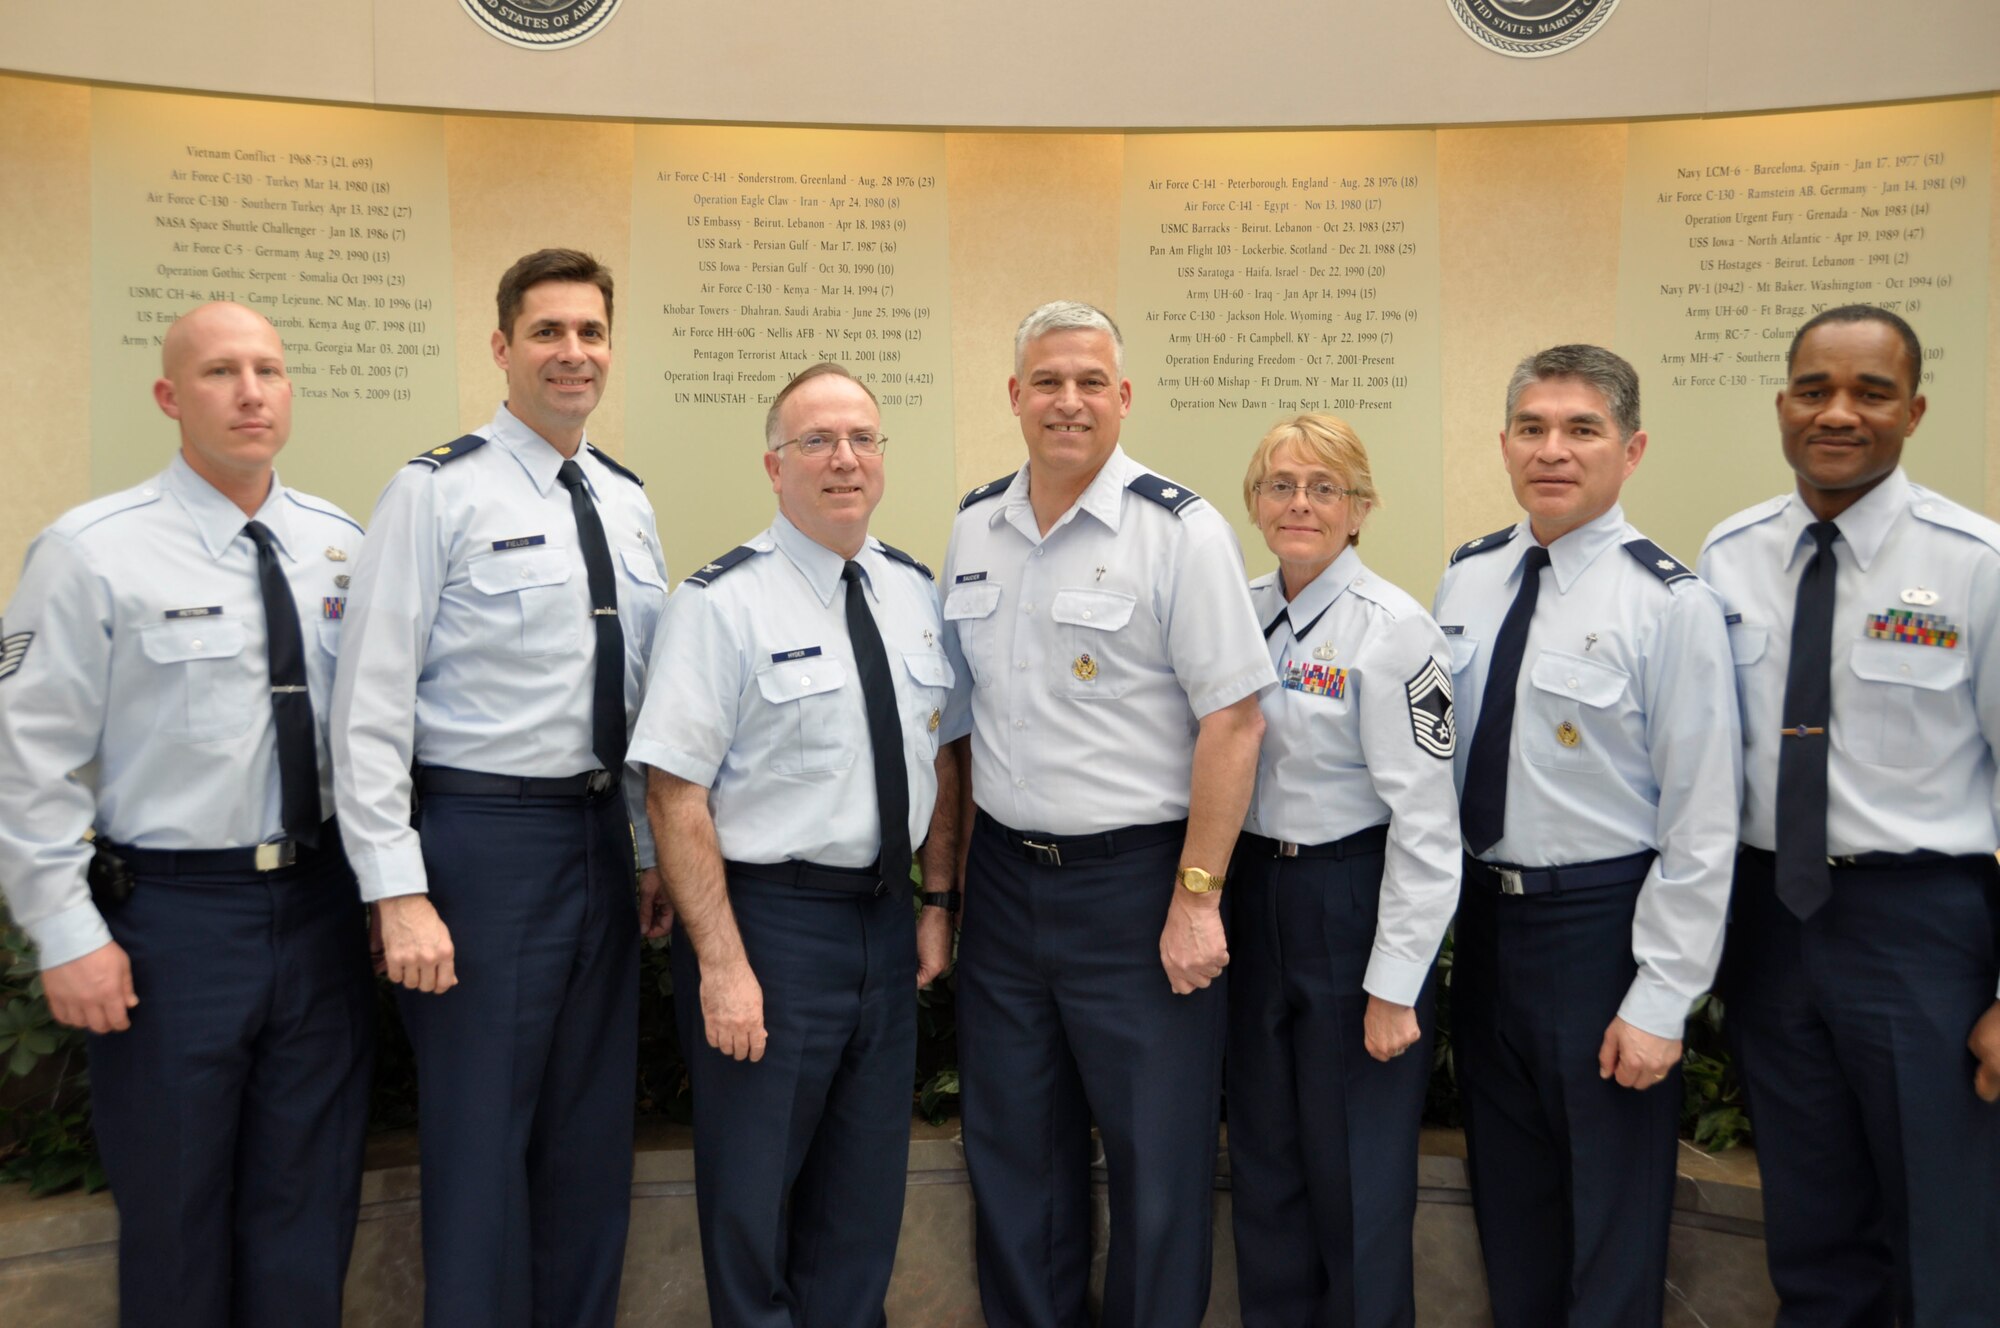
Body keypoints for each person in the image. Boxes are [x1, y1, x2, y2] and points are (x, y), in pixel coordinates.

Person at [0, 302, 374, 1326]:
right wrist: (67, 931)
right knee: (175, 1212)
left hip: (319, 906)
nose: (250, 391)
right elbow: (24, 761)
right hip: (172, 920)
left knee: (311, 1205)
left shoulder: (342, 546)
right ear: (171, 396)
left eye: (269, 369)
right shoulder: (90, 551)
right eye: (219, 371)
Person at [329, 248, 669, 1327]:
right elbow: (368, 700)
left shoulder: (624, 499)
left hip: (594, 847)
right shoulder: (436, 490)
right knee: (478, 1151)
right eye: (547, 331)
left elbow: (632, 690)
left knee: (587, 1143)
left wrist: (646, 848)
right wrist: (396, 886)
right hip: (479, 844)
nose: (572, 352)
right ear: (501, 347)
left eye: (589, 332)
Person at [939, 300, 1270, 1328]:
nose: (1067, 401)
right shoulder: (972, 524)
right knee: (1012, 1154)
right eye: (1047, 381)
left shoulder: (1180, 529)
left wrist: (1196, 896)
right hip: (1003, 885)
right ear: (1014, 396)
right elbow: (954, 727)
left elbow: (1234, 719)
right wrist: (943, 889)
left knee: (1157, 1168)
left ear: (1121, 396)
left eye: (1090, 382)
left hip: (1136, 888)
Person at [633, 362, 957, 1327]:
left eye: (861, 439)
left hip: (883, 924)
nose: (843, 459)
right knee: (754, 1205)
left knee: (863, 1206)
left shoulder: (911, 591)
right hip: (771, 930)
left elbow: (945, 758)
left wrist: (934, 901)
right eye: (817, 441)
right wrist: (723, 965)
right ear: (774, 466)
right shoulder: (720, 602)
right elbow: (674, 791)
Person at [1697, 304, 2000, 1326]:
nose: (1837, 412)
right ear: (1779, 404)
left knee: (1943, 1226)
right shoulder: (1726, 554)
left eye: (1868, 391)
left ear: (1911, 410)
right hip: (1771, 923)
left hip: (1919, 929)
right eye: (1813, 388)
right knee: (1809, 1223)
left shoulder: (1974, 561)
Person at [1430, 344, 1739, 1328]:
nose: (1551, 450)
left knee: (1608, 1222)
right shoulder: (1468, 577)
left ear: (1630, 447)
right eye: (1531, 427)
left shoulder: (1669, 604)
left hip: (1599, 931)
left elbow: (1701, 822)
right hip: (1485, 924)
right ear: (1504, 441)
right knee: (1510, 1207)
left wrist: (1658, 997)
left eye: (1580, 428)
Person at [1230, 414, 1460, 1328]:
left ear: (1360, 508)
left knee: (1357, 1178)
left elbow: (1428, 826)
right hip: (1254, 895)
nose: (1300, 504)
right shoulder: (1239, 612)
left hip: (1351, 901)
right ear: (1253, 501)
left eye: (1325, 488)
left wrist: (1395, 985)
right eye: (1281, 484)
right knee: (1266, 1164)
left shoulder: (1395, 631)